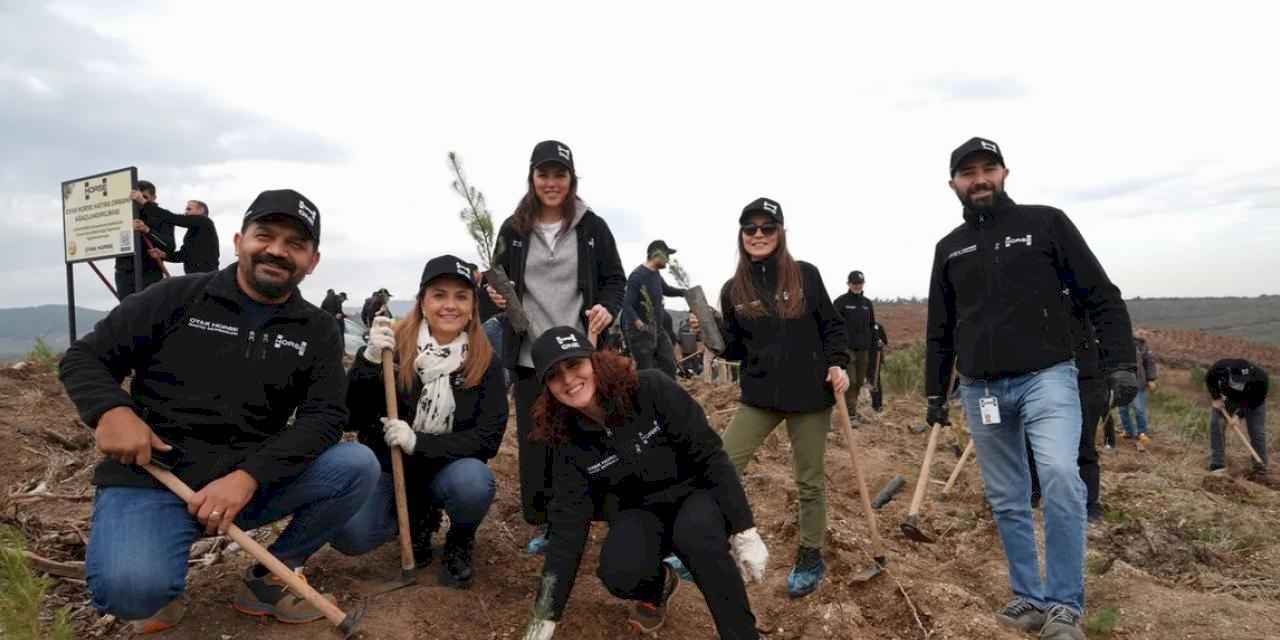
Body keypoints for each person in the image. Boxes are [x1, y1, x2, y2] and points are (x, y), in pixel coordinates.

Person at [59, 189, 378, 634]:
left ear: (312, 260)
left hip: (244, 484)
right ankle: (159, 578)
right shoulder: (175, 296)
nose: (277, 251)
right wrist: (111, 410)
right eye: (264, 235)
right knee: (131, 591)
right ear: (238, 240)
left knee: (356, 464)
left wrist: (247, 478)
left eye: (295, 244)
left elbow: (324, 418)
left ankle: (268, 581)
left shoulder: (318, 329)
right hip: (155, 476)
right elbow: (83, 358)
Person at [924, 137, 1137, 640]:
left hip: (1048, 377)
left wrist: (1121, 363)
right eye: (967, 172)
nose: (979, 179)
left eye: (987, 169)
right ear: (953, 183)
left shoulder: (1046, 224)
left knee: (1062, 474)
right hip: (982, 391)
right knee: (1007, 496)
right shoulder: (949, 248)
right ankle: (1028, 598)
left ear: (1004, 173)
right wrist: (935, 393)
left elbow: (1101, 294)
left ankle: (1065, 605)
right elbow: (940, 327)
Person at [521, 327, 767, 640]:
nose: (568, 380)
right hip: (637, 511)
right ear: (547, 388)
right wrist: (544, 615)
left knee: (698, 538)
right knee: (620, 573)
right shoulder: (566, 439)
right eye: (555, 375)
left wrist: (744, 529)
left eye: (574, 365)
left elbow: (711, 456)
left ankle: (742, 634)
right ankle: (658, 587)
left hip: (692, 495)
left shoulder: (650, 389)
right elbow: (567, 526)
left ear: (594, 361)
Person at [690, 197, 849, 599]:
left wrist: (837, 363)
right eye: (750, 229)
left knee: (809, 482)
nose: (758, 235)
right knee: (722, 466)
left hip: (811, 396)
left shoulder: (805, 276)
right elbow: (736, 349)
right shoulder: (733, 290)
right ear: (741, 235)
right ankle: (704, 542)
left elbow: (831, 327)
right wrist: (711, 334)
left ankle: (810, 555)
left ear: (780, 233)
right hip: (759, 396)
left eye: (767, 228)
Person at [486, 140, 625, 554]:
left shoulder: (592, 228)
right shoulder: (513, 230)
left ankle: (601, 513)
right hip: (531, 355)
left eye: (559, 175)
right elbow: (495, 283)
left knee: (586, 434)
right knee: (538, 441)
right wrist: (493, 296)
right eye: (543, 174)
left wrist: (607, 308)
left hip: (581, 355)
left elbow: (615, 281)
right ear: (532, 178)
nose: (551, 183)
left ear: (571, 179)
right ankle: (547, 520)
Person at [335, 255, 507, 588]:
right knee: (350, 535)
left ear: (473, 305)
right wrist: (368, 362)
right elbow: (350, 417)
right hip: (391, 469)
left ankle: (459, 538)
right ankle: (416, 518)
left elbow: (488, 438)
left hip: (448, 469)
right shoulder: (393, 350)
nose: (450, 305)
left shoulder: (485, 361)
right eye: (439, 295)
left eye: (461, 296)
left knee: (474, 482)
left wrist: (419, 442)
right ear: (422, 302)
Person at [1027, 299, 1110, 523]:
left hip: (1085, 382)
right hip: (1043, 380)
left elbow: (1105, 357)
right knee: (1033, 441)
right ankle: (1034, 492)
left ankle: (1089, 503)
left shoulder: (1088, 317)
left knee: (1084, 444)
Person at [621, 240, 687, 378]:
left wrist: (684, 292)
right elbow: (627, 304)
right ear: (656, 254)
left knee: (669, 364)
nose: (668, 260)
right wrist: (638, 323)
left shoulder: (656, 273)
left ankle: (669, 395)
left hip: (657, 329)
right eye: (667, 255)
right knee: (646, 370)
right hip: (640, 333)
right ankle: (646, 397)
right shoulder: (637, 276)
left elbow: (666, 289)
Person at [1205, 359, 1269, 479]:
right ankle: (1217, 464)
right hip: (1228, 399)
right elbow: (1210, 378)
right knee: (1216, 423)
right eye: (1238, 379)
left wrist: (1238, 415)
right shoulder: (1220, 367)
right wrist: (1216, 397)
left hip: (1252, 402)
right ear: (1229, 372)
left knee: (1257, 432)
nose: (1241, 382)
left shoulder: (1261, 378)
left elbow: (1255, 400)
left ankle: (1260, 468)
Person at [117, 180, 177, 298]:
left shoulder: (163, 216)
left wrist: (147, 230)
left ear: (154, 197)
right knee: (127, 312)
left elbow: (169, 246)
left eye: (144, 197)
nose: (139, 200)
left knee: (149, 311)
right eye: (136, 197)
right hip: (124, 271)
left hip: (150, 271)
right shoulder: (122, 215)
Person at [833, 271, 876, 417]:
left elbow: (871, 325)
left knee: (858, 382)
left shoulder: (867, 304)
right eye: (854, 283)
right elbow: (833, 325)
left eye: (860, 283)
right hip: (846, 349)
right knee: (850, 381)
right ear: (848, 284)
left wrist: (874, 343)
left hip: (863, 349)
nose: (857, 286)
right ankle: (849, 414)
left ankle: (852, 410)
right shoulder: (840, 302)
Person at [135, 200, 220, 274]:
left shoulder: (204, 222)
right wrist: (164, 255)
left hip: (206, 277)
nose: (185, 212)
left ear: (201, 210)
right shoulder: (194, 232)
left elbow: (173, 218)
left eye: (189, 209)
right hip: (194, 278)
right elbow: (183, 255)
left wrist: (144, 202)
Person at [1118, 330, 1158, 445]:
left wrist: (1151, 379)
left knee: (1139, 409)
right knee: (1122, 409)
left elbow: (1150, 363)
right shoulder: (1117, 344)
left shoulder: (1141, 346)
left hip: (1138, 382)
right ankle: (1128, 431)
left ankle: (1142, 432)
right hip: (1121, 382)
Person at [868, 319, 888, 412]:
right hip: (863, 357)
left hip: (875, 358)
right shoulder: (860, 325)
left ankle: (877, 405)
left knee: (875, 381)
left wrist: (880, 342)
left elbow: (885, 341)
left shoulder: (878, 326)